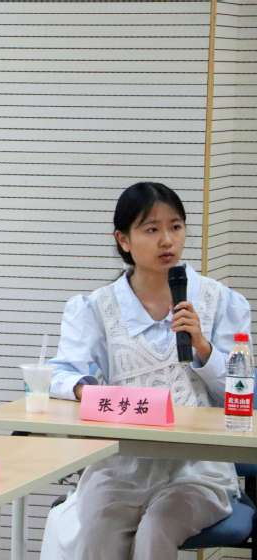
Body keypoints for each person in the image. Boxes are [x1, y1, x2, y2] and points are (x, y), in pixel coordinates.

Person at [42, 182, 252, 560]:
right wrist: (90, 391)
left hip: (197, 467)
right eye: (151, 229)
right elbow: (60, 375)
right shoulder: (95, 307)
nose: (167, 240)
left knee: (157, 527)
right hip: (122, 464)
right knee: (95, 534)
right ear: (123, 240)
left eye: (176, 227)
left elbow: (241, 396)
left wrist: (203, 348)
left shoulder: (220, 301)